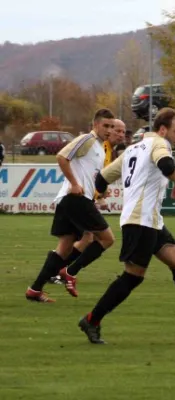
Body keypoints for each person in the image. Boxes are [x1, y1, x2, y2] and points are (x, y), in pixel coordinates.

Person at [78, 107, 175, 344]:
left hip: (150, 220)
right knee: (133, 276)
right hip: (140, 221)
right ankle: (91, 320)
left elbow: (102, 178)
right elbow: (165, 164)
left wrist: (100, 194)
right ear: (163, 129)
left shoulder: (133, 148)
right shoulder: (159, 143)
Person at [25, 109, 117, 303]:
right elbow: (61, 156)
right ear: (95, 124)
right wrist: (75, 184)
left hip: (70, 199)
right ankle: (70, 272)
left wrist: (99, 191)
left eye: (111, 126)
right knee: (107, 239)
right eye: (105, 125)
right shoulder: (87, 140)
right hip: (76, 199)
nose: (109, 130)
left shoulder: (101, 146)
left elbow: (88, 173)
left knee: (65, 247)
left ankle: (35, 290)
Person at [48, 119, 126, 293]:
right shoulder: (97, 145)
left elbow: (96, 176)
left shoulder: (107, 149)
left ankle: (56, 272)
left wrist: (100, 195)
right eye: (117, 130)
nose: (120, 134)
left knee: (81, 239)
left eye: (123, 132)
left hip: (84, 197)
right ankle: (61, 272)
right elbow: (66, 159)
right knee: (93, 238)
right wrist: (79, 186)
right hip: (77, 197)